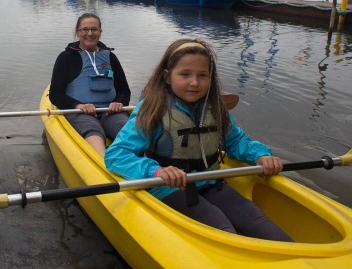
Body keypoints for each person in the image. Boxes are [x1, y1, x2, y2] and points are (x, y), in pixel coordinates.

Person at [104, 39, 293, 241]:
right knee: (222, 228)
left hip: (210, 182)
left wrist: (260, 156)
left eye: (202, 75)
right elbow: (116, 155)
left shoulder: (215, 108)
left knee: (259, 223)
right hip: (169, 187)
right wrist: (157, 171)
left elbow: (236, 141)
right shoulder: (152, 110)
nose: (194, 82)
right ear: (167, 77)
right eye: (185, 74)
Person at [49, 13, 131, 156]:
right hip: (80, 112)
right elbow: (55, 94)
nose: (90, 34)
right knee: (92, 129)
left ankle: (145, 163)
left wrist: (119, 102)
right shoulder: (66, 58)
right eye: (85, 29)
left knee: (127, 130)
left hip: (109, 111)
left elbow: (124, 90)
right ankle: (102, 162)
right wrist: (78, 105)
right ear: (77, 32)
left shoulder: (110, 57)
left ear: (100, 32)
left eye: (94, 29)